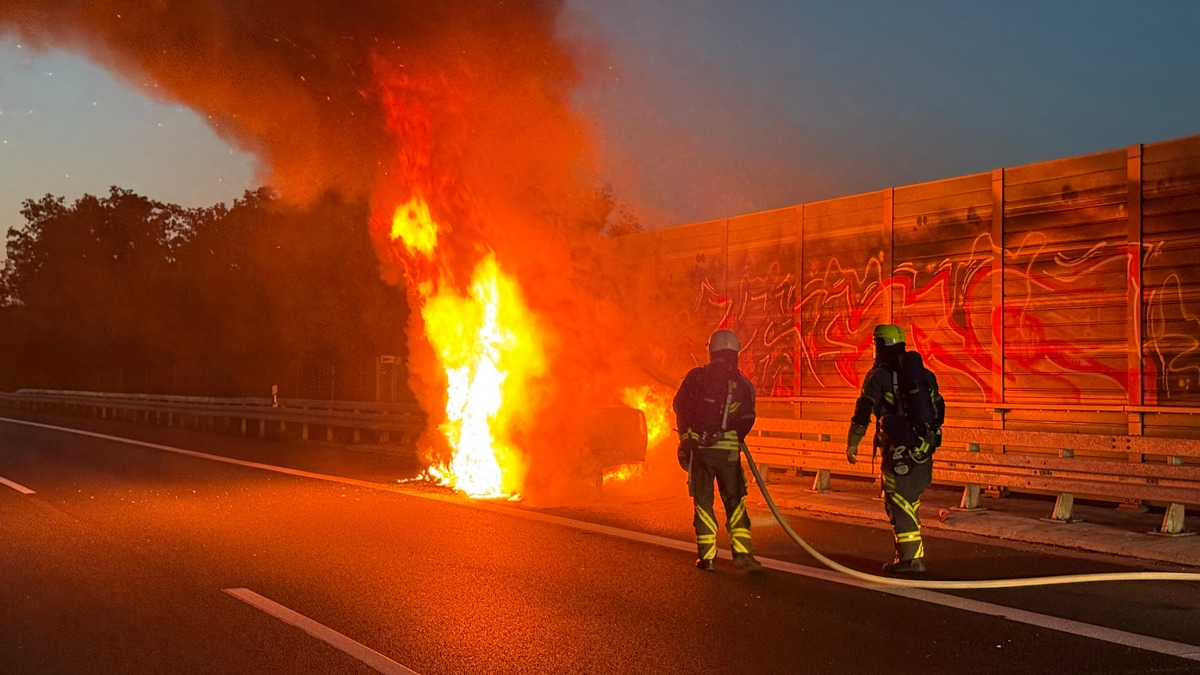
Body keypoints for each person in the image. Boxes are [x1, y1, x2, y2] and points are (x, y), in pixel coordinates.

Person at [845, 324, 945, 574]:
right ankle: (911, 555)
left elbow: (864, 408)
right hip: (923, 448)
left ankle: (911, 561)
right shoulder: (925, 374)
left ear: (880, 345)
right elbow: (938, 409)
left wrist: (853, 441)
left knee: (898, 501)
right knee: (909, 501)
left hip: (898, 450)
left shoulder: (878, 376)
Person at [673, 328, 761, 571]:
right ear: (736, 352)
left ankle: (707, 558)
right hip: (729, 455)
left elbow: (680, 407)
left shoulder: (696, 378)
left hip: (700, 453)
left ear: (711, 351)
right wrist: (735, 436)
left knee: (703, 504)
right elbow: (748, 417)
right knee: (735, 503)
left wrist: (687, 440)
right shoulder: (742, 384)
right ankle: (742, 554)